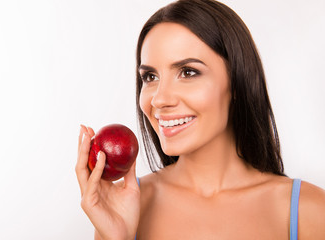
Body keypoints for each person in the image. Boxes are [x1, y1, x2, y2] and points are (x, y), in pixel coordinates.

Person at [76, 0, 325, 239]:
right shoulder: (127, 208)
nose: (159, 99)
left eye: (188, 72)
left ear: (237, 82)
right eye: (150, 77)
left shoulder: (309, 211)